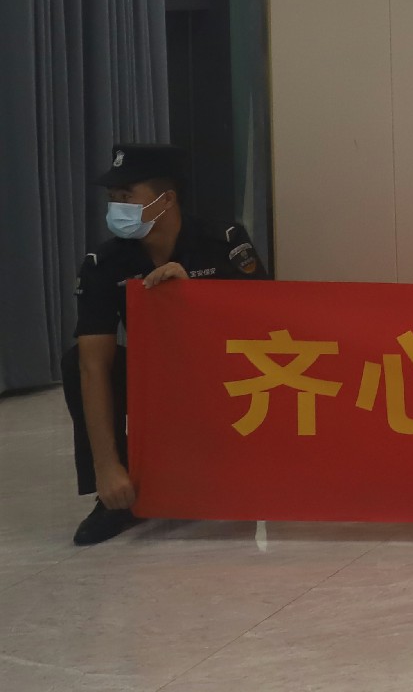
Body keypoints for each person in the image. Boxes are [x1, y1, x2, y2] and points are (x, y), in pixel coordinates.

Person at [64, 142, 268, 545]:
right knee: (76, 363)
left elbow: (263, 329)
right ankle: (116, 498)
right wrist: (106, 466)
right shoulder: (104, 264)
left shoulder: (223, 243)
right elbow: (92, 364)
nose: (117, 208)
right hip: (156, 378)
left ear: (166, 200)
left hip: (221, 377)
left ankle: (233, 466)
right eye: (112, 198)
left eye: (127, 196)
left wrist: (191, 299)